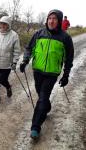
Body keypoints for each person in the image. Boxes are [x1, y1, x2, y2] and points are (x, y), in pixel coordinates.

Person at [20, 9, 74, 139]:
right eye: (50, 18)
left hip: (51, 74)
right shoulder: (39, 33)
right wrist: (25, 60)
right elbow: (29, 48)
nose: (51, 21)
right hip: (37, 71)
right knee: (41, 95)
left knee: (43, 97)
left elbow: (69, 58)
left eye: (54, 19)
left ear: (59, 21)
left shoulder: (65, 38)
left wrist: (66, 75)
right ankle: (46, 107)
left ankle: (35, 127)